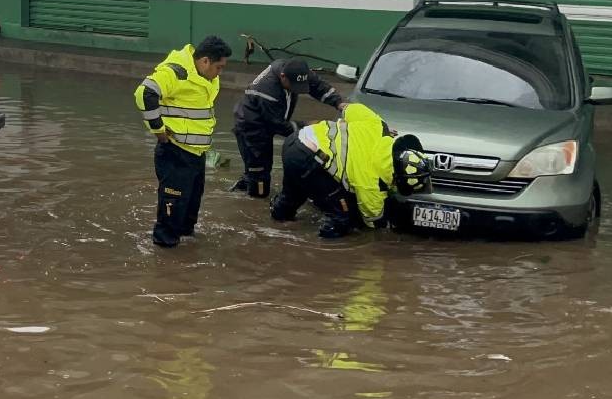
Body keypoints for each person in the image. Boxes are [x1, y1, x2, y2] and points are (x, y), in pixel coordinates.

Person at [269, 103, 432, 238]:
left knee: (293, 196)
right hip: (310, 160)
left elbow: (350, 109)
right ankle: (321, 258)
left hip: (296, 140)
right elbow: (374, 222)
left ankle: (274, 224)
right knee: (341, 218)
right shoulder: (372, 186)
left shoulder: (378, 125)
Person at [134, 36, 232, 248]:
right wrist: (158, 130)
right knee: (173, 207)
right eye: (219, 67)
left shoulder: (206, 76)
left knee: (191, 205)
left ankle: (186, 243)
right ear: (205, 61)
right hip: (175, 151)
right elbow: (145, 93)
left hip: (196, 153)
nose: (220, 72)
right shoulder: (175, 72)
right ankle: (165, 254)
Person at [231, 59, 344, 198]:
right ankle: (253, 201)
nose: (296, 90)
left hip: (266, 119)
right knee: (260, 174)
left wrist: (339, 102)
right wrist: (308, 126)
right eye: (294, 86)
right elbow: (278, 126)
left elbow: (317, 85)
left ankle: (246, 184)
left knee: (258, 170)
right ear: (283, 76)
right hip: (252, 128)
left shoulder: (297, 70)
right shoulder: (267, 91)